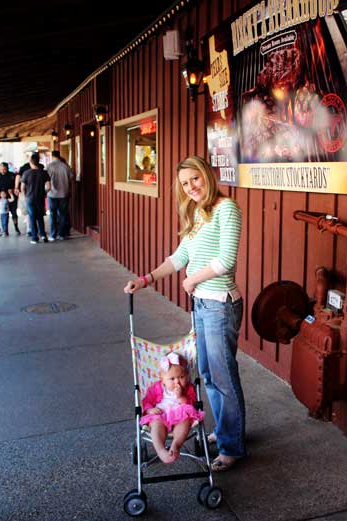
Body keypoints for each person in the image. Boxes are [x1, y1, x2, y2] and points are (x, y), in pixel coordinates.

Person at [124, 155, 245, 472]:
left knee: (223, 378)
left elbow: (225, 261)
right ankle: (223, 432)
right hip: (202, 304)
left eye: (195, 179)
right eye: (184, 183)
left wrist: (192, 279)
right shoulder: (196, 213)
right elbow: (180, 257)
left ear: (207, 175)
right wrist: (147, 279)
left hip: (220, 303)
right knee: (206, 374)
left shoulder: (226, 209)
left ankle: (232, 447)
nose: (191, 187)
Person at [140, 352, 204, 464]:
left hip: (180, 414)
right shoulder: (156, 388)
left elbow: (191, 403)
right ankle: (161, 450)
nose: (177, 382)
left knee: (185, 420)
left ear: (187, 376)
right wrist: (150, 410)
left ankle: (176, 444)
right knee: (155, 424)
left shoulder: (188, 389)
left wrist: (181, 396)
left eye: (181, 377)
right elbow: (147, 401)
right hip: (161, 414)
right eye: (172, 378)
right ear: (162, 379)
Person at [20, 153, 50, 244]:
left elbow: (22, 187)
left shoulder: (26, 173)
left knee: (32, 217)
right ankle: (43, 236)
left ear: (31, 163)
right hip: (40, 197)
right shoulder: (44, 173)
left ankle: (34, 237)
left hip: (30, 197)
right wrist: (44, 193)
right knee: (40, 216)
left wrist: (25, 196)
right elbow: (49, 186)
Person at [46, 150, 73, 241]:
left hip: (52, 194)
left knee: (53, 214)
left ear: (52, 156)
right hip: (64, 193)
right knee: (63, 214)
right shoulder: (66, 166)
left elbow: (46, 180)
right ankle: (62, 234)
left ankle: (53, 235)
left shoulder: (49, 167)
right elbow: (71, 177)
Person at [0, 162, 20, 236]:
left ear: (7, 168)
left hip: (12, 197)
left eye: (4, 169)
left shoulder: (12, 175)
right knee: (4, 215)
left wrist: (14, 190)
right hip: (3, 199)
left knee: (14, 213)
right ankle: (5, 230)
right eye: (1, 169)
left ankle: (16, 228)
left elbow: (17, 184)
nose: (2, 171)